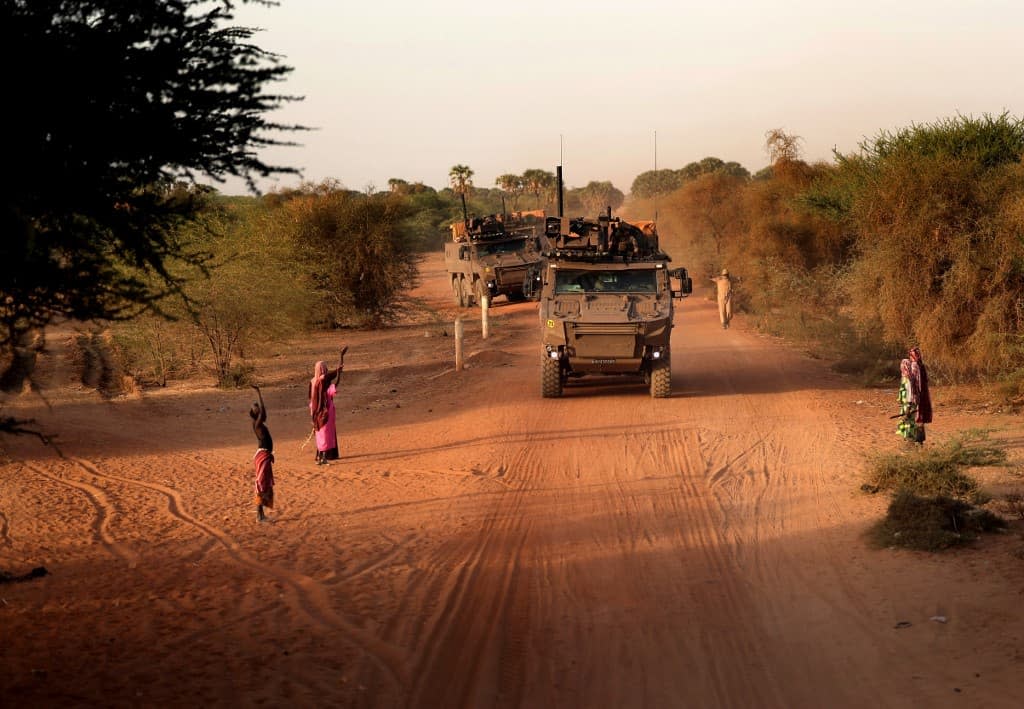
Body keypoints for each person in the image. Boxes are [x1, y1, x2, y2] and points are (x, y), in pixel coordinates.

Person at [309, 346, 347, 464]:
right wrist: (340, 362)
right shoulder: (322, 380)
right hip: (326, 410)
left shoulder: (312, 381)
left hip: (315, 411)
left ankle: (320, 456)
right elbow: (333, 378)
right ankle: (324, 457)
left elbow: (310, 398)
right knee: (326, 433)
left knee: (319, 433)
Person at [249, 384, 274, 522]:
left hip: (264, 455)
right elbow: (264, 412)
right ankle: (259, 515)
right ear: (255, 413)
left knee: (265, 484)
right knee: (261, 484)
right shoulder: (257, 424)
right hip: (263, 456)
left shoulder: (259, 423)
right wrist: (259, 392)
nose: (258, 407)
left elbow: (264, 413)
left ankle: (261, 514)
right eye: (256, 407)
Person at [908, 346, 932, 443]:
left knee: (916, 416)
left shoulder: (914, 366)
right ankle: (920, 439)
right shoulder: (921, 365)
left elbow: (914, 382)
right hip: (924, 395)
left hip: (917, 394)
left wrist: (913, 396)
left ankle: (916, 439)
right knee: (920, 416)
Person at [896, 358, 922, 444]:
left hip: (909, 405)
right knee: (906, 422)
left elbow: (910, 395)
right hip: (906, 405)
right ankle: (909, 441)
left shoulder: (908, 380)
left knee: (909, 423)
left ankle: (910, 443)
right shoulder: (905, 377)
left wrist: (908, 408)